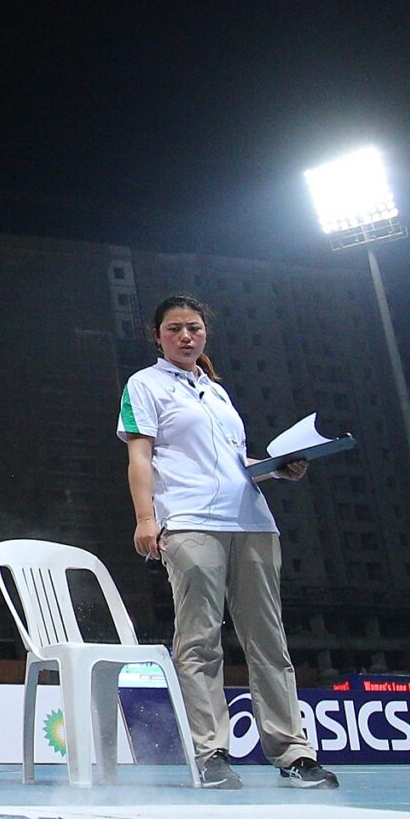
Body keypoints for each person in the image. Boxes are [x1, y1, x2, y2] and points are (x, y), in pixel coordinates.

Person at [119, 295, 334, 790]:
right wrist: (145, 518)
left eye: (194, 328)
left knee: (269, 640)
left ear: (205, 333)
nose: (186, 336)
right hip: (190, 521)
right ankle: (211, 752)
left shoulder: (216, 391)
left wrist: (277, 468)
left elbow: (234, 463)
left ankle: (293, 753)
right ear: (157, 336)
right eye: (174, 329)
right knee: (199, 640)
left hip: (252, 522)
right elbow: (140, 458)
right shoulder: (144, 384)